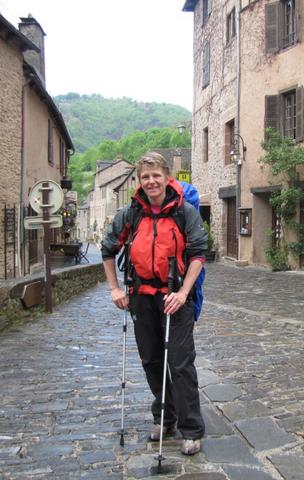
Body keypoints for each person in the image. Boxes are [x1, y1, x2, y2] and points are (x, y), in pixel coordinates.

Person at [101, 151, 207, 456]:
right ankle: (165, 416)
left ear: (166, 177)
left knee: (181, 362)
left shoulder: (184, 212)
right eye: (145, 177)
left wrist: (184, 293)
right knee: (151, 361)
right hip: (141, 298)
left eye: (156, 176)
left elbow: (198, 255)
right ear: (139, 180)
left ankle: (191, 429)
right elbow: (108, 249)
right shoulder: (130, 214)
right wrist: (114, 289)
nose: (151, 182)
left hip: (175, 298)